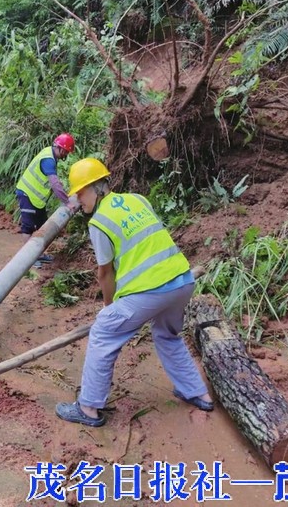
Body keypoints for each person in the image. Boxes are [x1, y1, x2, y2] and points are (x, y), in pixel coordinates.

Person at [55, 158, 214, 427]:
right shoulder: (138, 199)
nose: (78, 200)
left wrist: (108, 308)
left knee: (103, 331)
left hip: (151, 291)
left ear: (95, 188)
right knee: (167, 334)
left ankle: (88, 408)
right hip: (183, 280)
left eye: (79, 193)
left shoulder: (99, 223)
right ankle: (198, 393)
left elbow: (105, 274)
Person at [15, 133, 76, 266]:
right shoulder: (48, 160)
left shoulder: (50, 154)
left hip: (36, 199)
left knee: (42, 225)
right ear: (61, 149)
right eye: (66, 152)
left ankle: (38, 255)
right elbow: (54, 184)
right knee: (28, 227)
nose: (66, 155)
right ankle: (29, 259)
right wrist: (67, 202)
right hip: (27, 194)